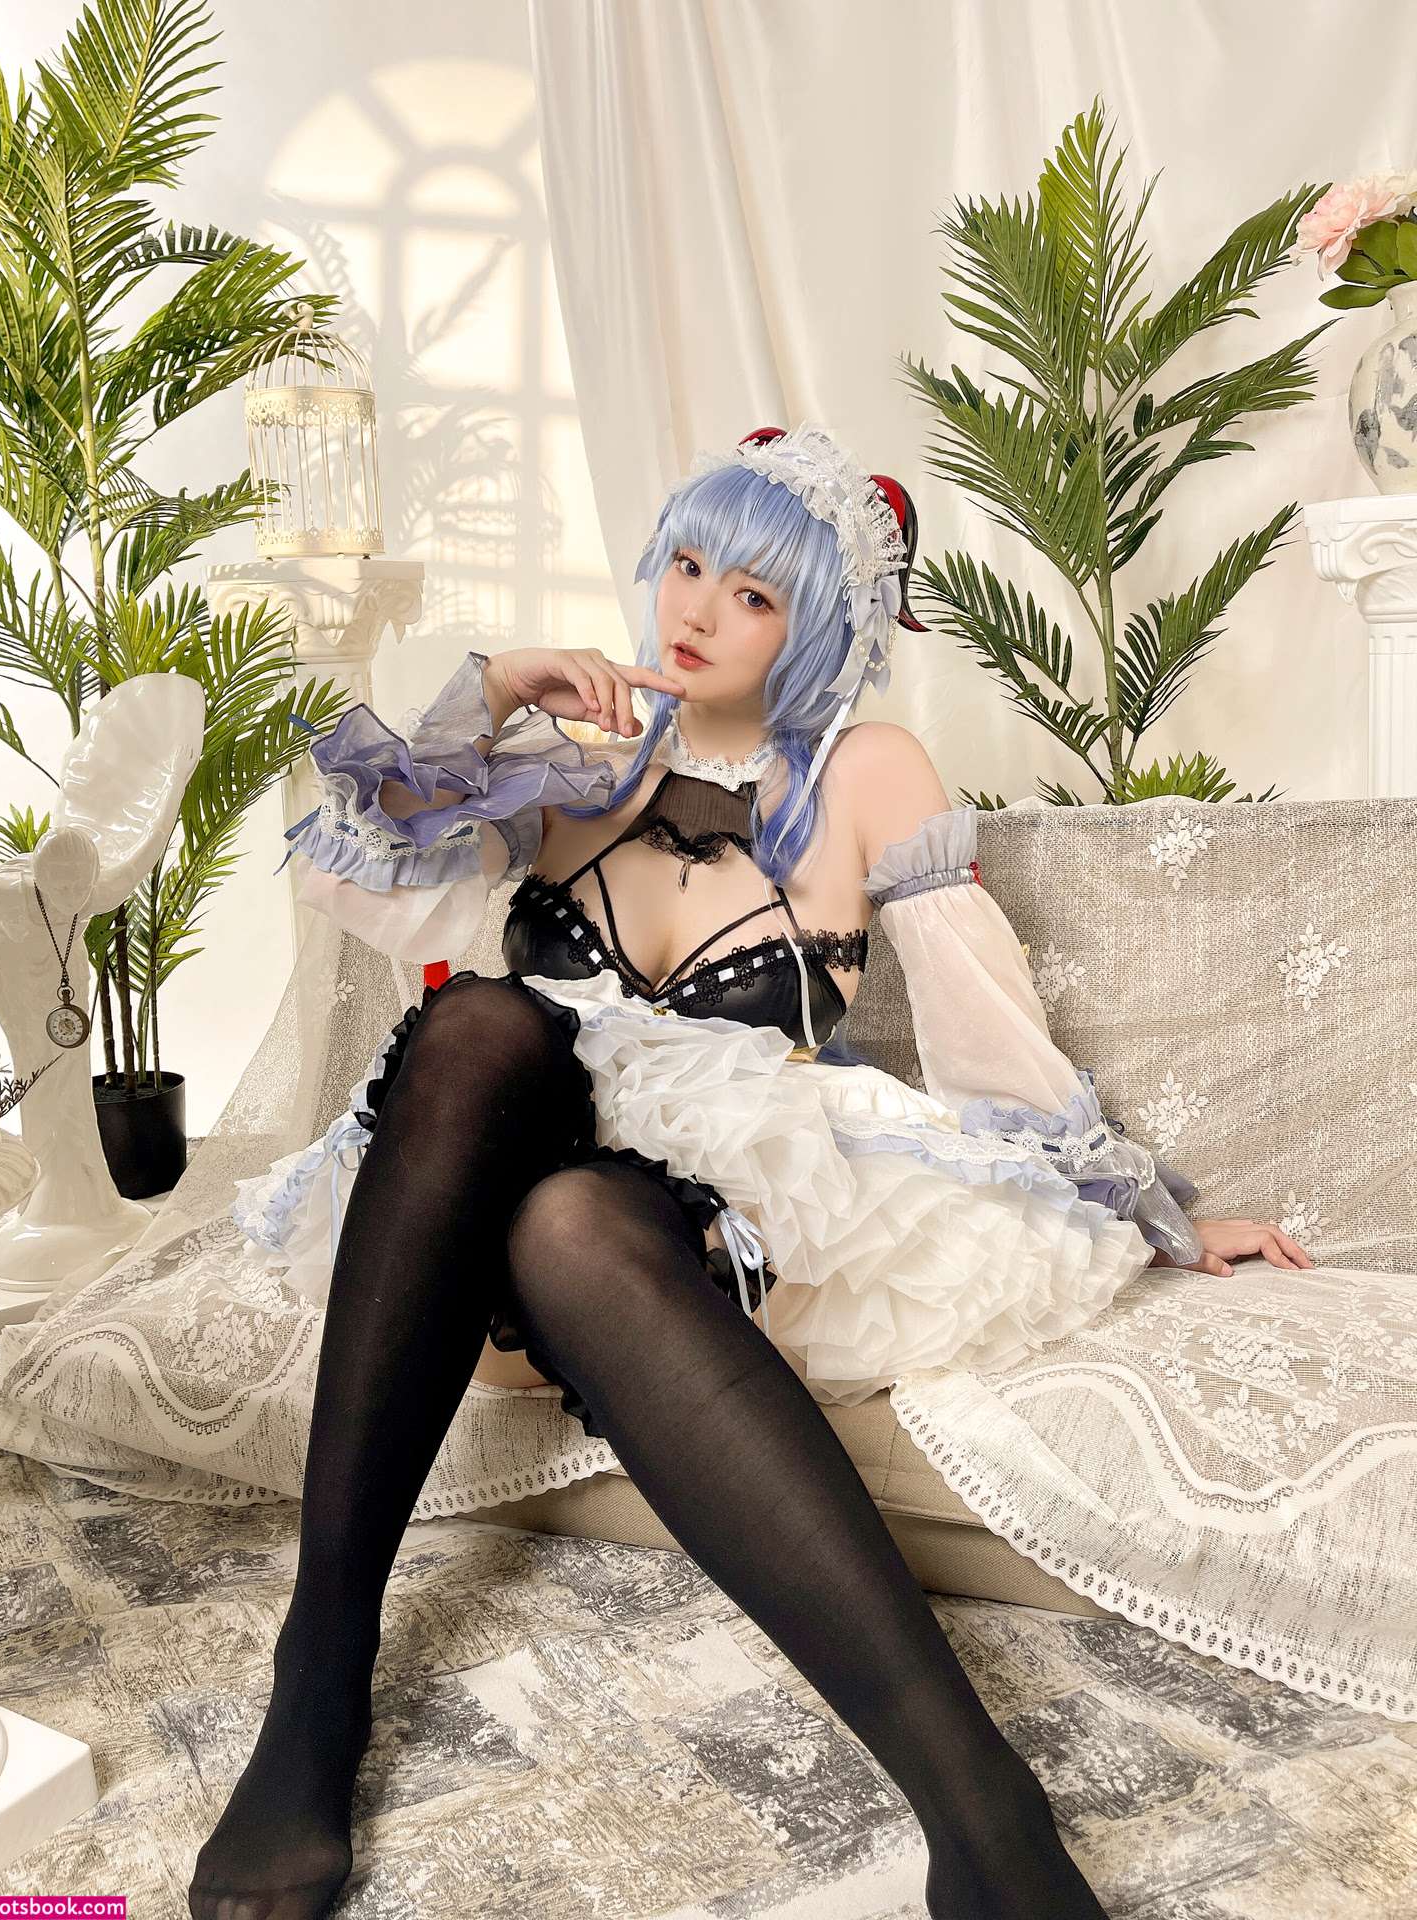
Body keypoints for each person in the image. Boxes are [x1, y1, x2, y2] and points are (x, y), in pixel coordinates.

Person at [180, 423, 1310, 1920]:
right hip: (454, 1227)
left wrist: (1151, 1213)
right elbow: (348, 856)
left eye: (755, 594)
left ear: (817, 626)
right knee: (480, 1028)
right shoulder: (575, 758)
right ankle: (320, 1667)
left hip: (694, 1247)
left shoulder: (863, 773)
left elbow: (985, 1025)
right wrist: (498, 686)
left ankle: (985, 1818)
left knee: (572, 1220)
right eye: (690, 565)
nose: (699, 610)